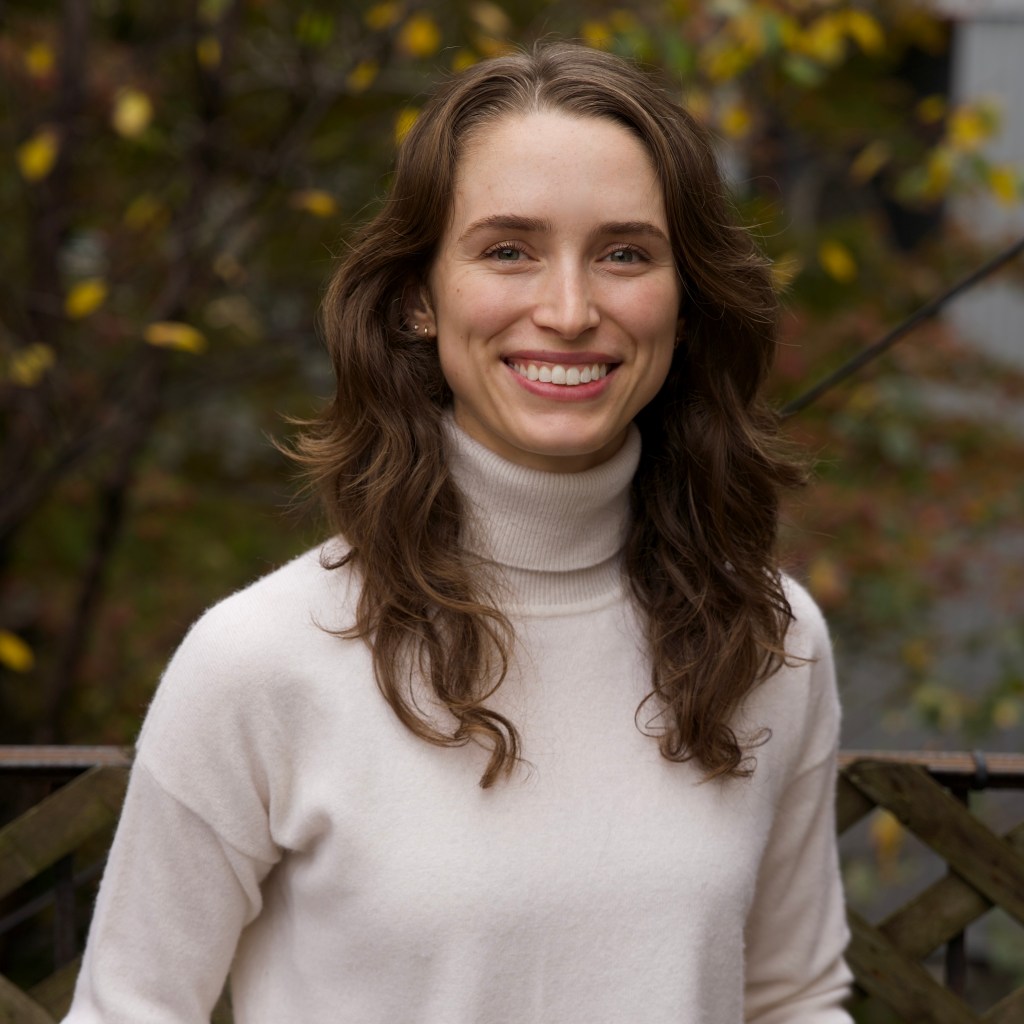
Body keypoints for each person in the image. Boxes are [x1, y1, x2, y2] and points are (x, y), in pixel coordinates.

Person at [64, 42, 853, 1023]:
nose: (568, 310)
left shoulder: (772, 640)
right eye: (507, 249)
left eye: (623, 252)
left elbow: (791, 999)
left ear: (686, 302)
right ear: (416, 297)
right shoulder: (260, 660)